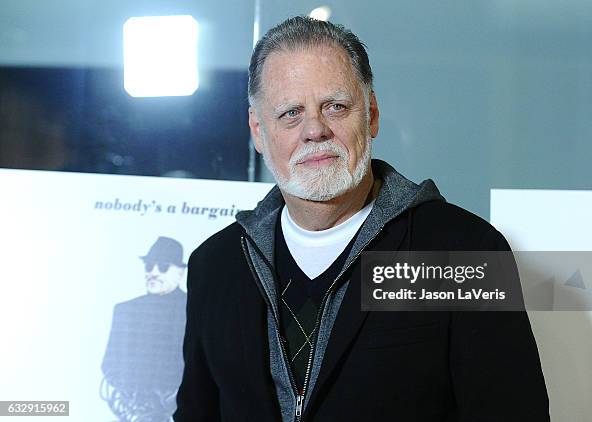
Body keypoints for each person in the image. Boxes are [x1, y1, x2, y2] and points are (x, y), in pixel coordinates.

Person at [174, 16, 549, 422]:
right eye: (290, 113)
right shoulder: (216, 265)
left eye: (336, 106)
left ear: (370, 116)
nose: (315, 129)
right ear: (259, 132)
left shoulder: (463, 253)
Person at [102, 236, 188, 422]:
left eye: (163, 266)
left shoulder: (194, 309)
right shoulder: (125, 310)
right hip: (132, 412)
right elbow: (110, 364)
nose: (154, 272)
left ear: (180, 273)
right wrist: (133, 401)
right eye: (149, 266)